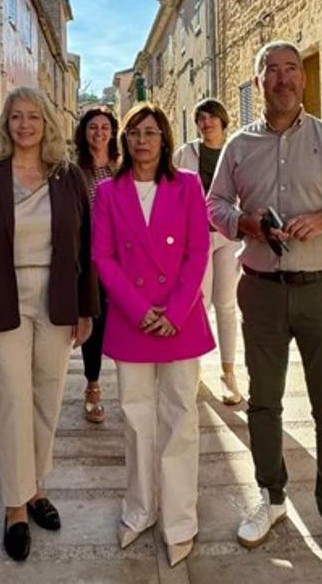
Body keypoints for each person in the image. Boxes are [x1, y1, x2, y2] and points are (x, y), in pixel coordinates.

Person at [207, 40, 322, 576]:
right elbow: (215, 204)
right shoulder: (238, 145)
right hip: (259, 286)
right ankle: (271, 496)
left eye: (289, 70)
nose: (281, 79)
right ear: (257, 83)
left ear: (302, 80)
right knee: (264, 401)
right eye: (270, 71)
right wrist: (247, 224)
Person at [0, 86, 97, 562]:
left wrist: (85, 308)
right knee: (10, 400)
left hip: (54, 301)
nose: (24, 124)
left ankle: (36, 487)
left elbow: (86, 247)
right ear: (6, 124)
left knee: (46, 396)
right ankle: (15, 506)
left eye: (33, 116)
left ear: (47, 123)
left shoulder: (68, 176)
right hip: (2, 300)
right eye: (16, 117)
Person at [93, 102, 214, 568]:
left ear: (164, 139)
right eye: (135, 133)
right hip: (132, 319)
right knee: (138, 419)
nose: (142, 140)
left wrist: (176, 310)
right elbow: (103, 258)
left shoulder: (187, 185)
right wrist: (141, 310)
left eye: (151, 132)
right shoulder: (109, 192)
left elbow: (198, 251)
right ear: (125, 141)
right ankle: (140, 509)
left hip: (180, 320)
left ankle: (180, 520)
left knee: (181, 418)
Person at [173, 98, 243, 406]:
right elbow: (171, 191)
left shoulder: (238, 149)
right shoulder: (186, 153)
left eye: (211, 117)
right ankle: (195, 370)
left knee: (227, 304)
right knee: (196, 305)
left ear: (222, 120)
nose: (206, 122)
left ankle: (229, 374)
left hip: (228, 236)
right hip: (196, 241)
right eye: (200, 118)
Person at [74, 107, 121, 423]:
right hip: (88, 257)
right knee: (94, 320)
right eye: (93, 127)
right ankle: (92, 385)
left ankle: (137, 388)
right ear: (84, 132)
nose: (99, 132)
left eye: (105, 127)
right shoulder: (73, 170)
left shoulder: (125, 167)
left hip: (124, 256)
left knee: (126, 320)